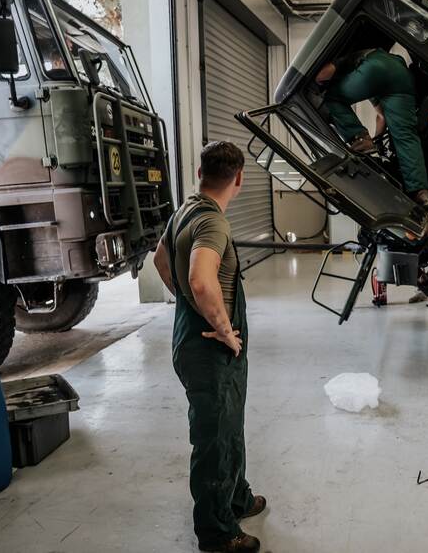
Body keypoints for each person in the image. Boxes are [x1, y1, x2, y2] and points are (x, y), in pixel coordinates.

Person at [154, 141, 265, 553]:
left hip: (192, 338)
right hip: (209, 349)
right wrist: (221, 327)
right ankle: (217, 532)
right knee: (214, 438)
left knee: (229, 425)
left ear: (200, 173)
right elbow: (201, 281)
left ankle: (236, 498)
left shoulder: (185, 210)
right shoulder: (213, 224)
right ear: (239, 178)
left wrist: (187, 301)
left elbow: (161, 261)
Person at [317, 48, 428, 209]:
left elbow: (320, 75)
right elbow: (382, 116)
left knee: (332, 98)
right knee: (406, 136)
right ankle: (421, 193)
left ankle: (359, 138)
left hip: (375, 66)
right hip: (401, 75)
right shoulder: (372, 85)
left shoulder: (345, 61)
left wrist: (316, 83)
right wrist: (376, 141)